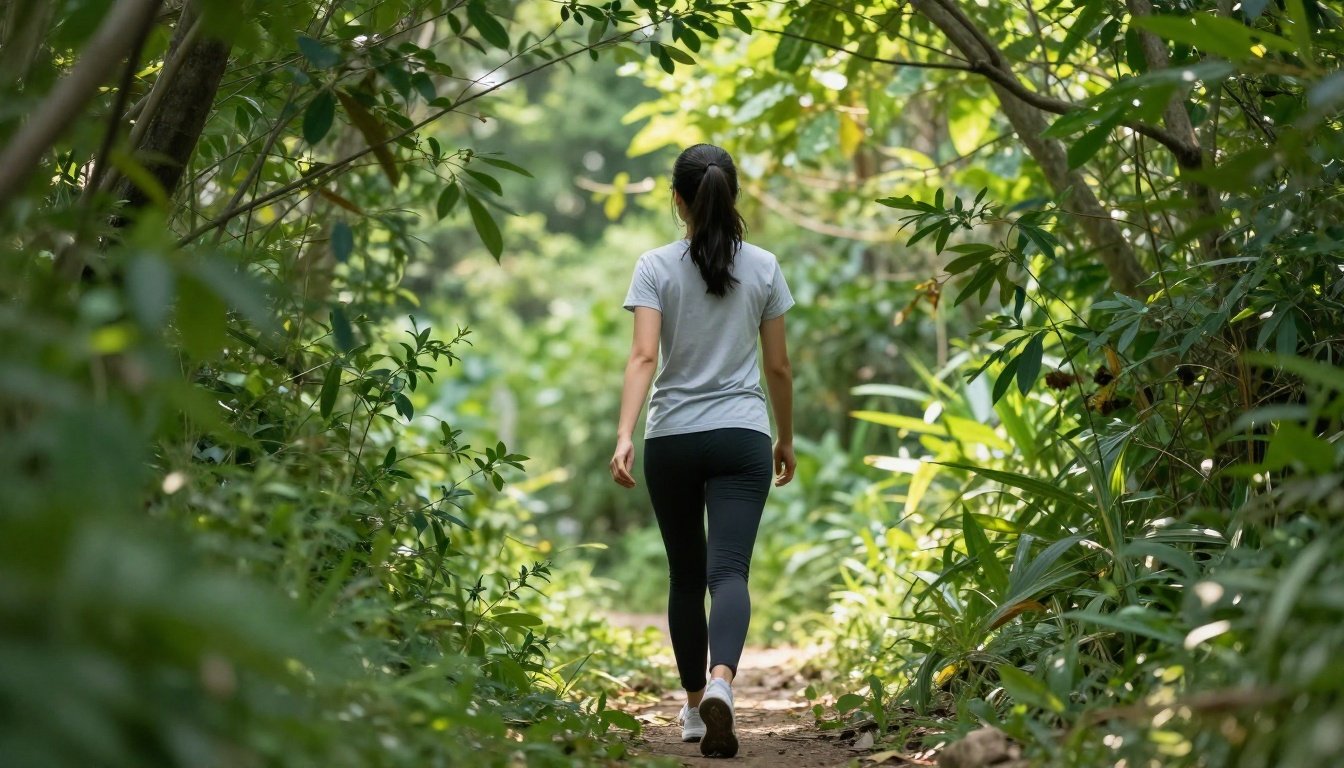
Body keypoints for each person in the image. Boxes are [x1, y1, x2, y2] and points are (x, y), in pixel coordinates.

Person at [609, 143, 796, 759]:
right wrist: (784, 437)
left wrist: (624, 434)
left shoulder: (654, 266)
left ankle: (692, 708)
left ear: (679, 200)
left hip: (672, 438)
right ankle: (722, 682)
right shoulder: (765, 266)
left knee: (687, 578)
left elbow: (642, 357)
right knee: (729, 573)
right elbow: (779, 368)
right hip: (742, 435)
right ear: (732, 196)